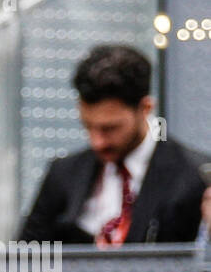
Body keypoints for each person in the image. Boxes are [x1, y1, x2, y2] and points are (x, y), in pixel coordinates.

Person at [20, 44, 211, 246]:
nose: (97, 142)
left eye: (109, 128)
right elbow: (23, 263)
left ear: (145, 108)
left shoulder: (194, 177)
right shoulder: (63, 174)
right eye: (88, 126)